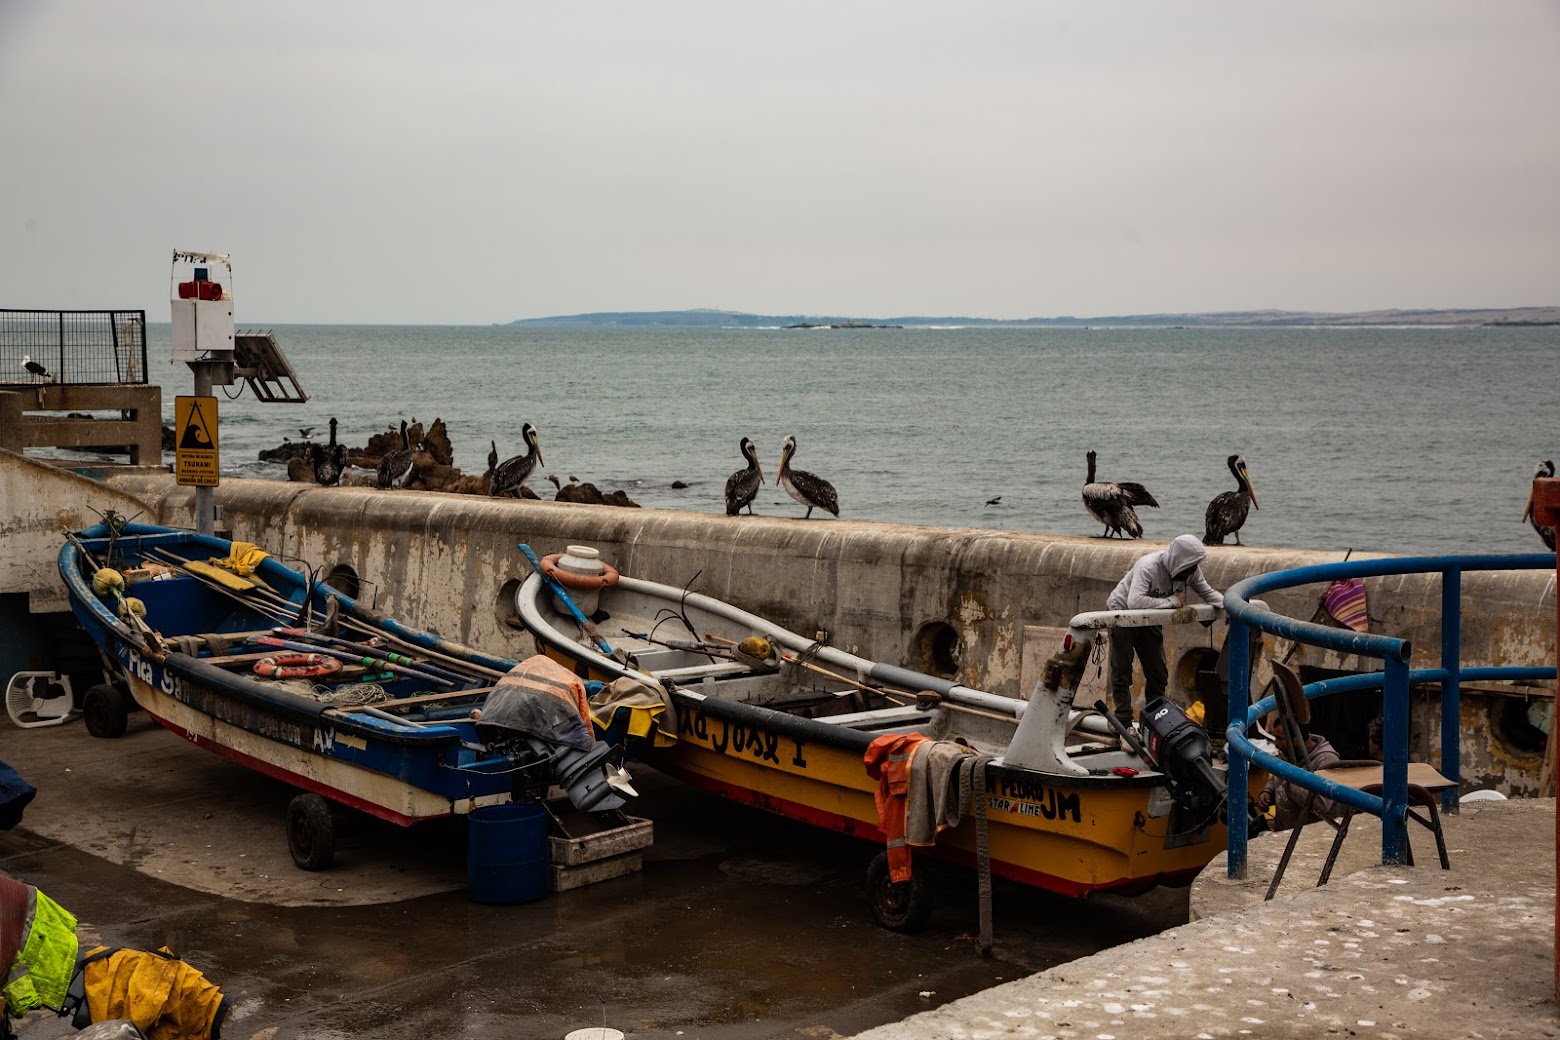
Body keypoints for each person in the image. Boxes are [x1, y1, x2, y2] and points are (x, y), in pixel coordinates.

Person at [1106, 533, 1225, 728]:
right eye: (1190, 566)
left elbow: (1207, 592)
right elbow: (1134, 601)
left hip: (1151, 617)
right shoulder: (1148, 566)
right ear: (1179, 560)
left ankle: (1152, 721)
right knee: (1122, 671)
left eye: (1195, 565)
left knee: (1158, 672)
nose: (1194, 570)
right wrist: (1172, 602)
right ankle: (1123, 721)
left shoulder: (1190, 572)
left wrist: (1229, 609)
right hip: (1123, 615)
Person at [1257, 724, 1342, 830]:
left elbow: (1321, 804)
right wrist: (1268, 791)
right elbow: (1277, 775)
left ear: (1297, 739)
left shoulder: (1326, 760)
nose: (1276, 743)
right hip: (1286, 831)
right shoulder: (1287, 752)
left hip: (1312, 836)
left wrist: (1287, 774)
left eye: (1280, 738)